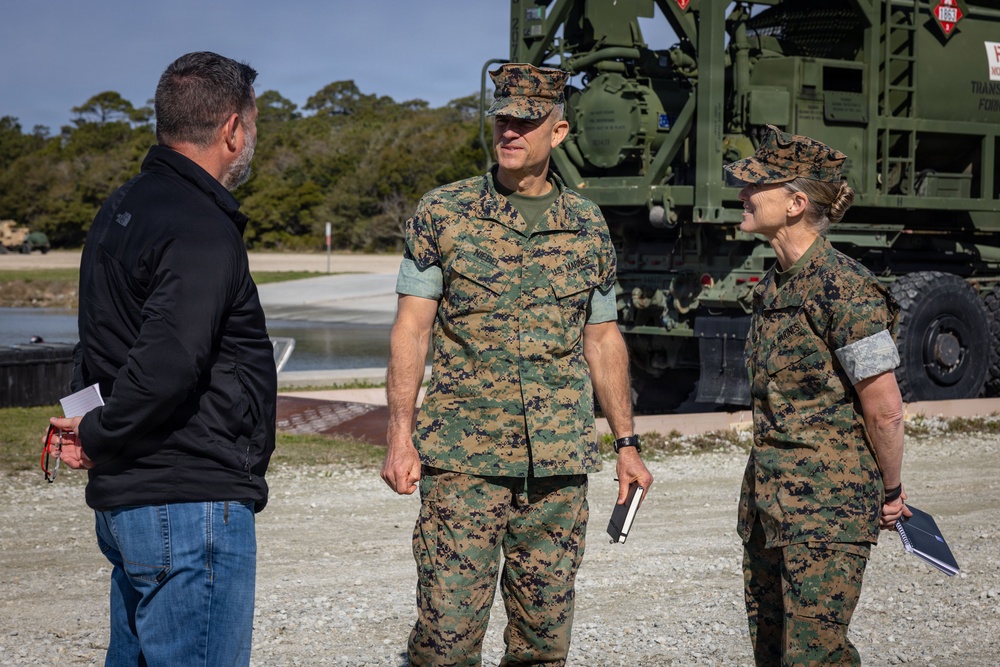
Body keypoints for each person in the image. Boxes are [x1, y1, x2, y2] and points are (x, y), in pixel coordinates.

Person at [380, 62, 654, 666]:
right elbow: (412, 329)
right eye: (502, 119)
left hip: (557, 470)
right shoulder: (443, 212)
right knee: (445, 640)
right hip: (462, 464)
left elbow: (603, 338)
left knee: (543, 644)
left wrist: (626, 443)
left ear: (557, 134)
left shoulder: (587, 226)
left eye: (526, 122)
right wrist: (399, 435)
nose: (509, 132)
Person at [49, 51, 275, 666]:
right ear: (232, 128)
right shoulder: (199, 225)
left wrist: (92, 423)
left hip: (135, 502)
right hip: (188, 503)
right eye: (253, 124)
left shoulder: (124, 206)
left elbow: (93, 340)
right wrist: (98, 431)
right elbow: (169, 360)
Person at [724, 125, 911, 666]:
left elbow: (885, 408)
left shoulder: (844, 288)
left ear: (796, 203)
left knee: (815, 656)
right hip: (769, 508)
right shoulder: (776, 284)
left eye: (756, 187)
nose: (742, 195)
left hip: (826, 509)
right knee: (772, 653)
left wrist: (891, 492)